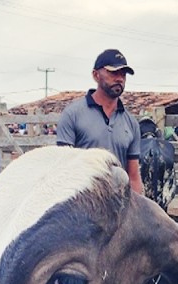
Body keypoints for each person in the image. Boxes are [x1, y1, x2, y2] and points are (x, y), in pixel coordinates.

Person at [56, 49, 143, 193]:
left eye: (123, 74)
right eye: (113, 72)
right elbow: (64, 170)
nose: (119, 78)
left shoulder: (131, 123)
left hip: (118, 204)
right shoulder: (73, 114)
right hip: (82, 202)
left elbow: (133, 177)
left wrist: (138, 209)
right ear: (96, 75)